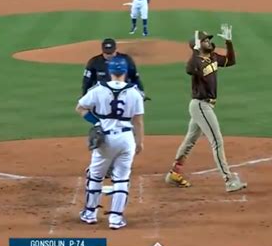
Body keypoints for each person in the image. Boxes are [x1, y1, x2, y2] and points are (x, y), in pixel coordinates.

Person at [164, 24, 247, 193]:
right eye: (205, 40)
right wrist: (195, 52)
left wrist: (229, 42)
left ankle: (174, 173)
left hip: (205, 106)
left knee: (190, 140)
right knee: (217, 141)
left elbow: (231, 61)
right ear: (197, 44)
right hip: (201, 105)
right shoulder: (195, 62)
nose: (209, 41)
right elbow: (188, 69)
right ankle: (228, 180)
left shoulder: (213, 57)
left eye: (209, 39)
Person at [76, 56, 145, 229]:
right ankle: (115, 219)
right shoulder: (134, 92)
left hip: (105, 139)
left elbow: (80, 108)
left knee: (96, 176)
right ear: (126, 72)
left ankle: (90, 214)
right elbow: (138, 121)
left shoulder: (99, 89)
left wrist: (97, 122)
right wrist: (140, 142)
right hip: (126, 138)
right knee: (121, 178)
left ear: (109, 72)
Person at [81, 38, 146, 98]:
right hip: (101, 96)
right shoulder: (94, 62)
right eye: (106, 53)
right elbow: (87, 81)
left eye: (111, 53)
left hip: (123, 94)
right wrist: (84, 95)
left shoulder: (126, 60)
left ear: (115, 49)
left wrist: (141, 92)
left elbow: (135, 78)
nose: (109, 55)